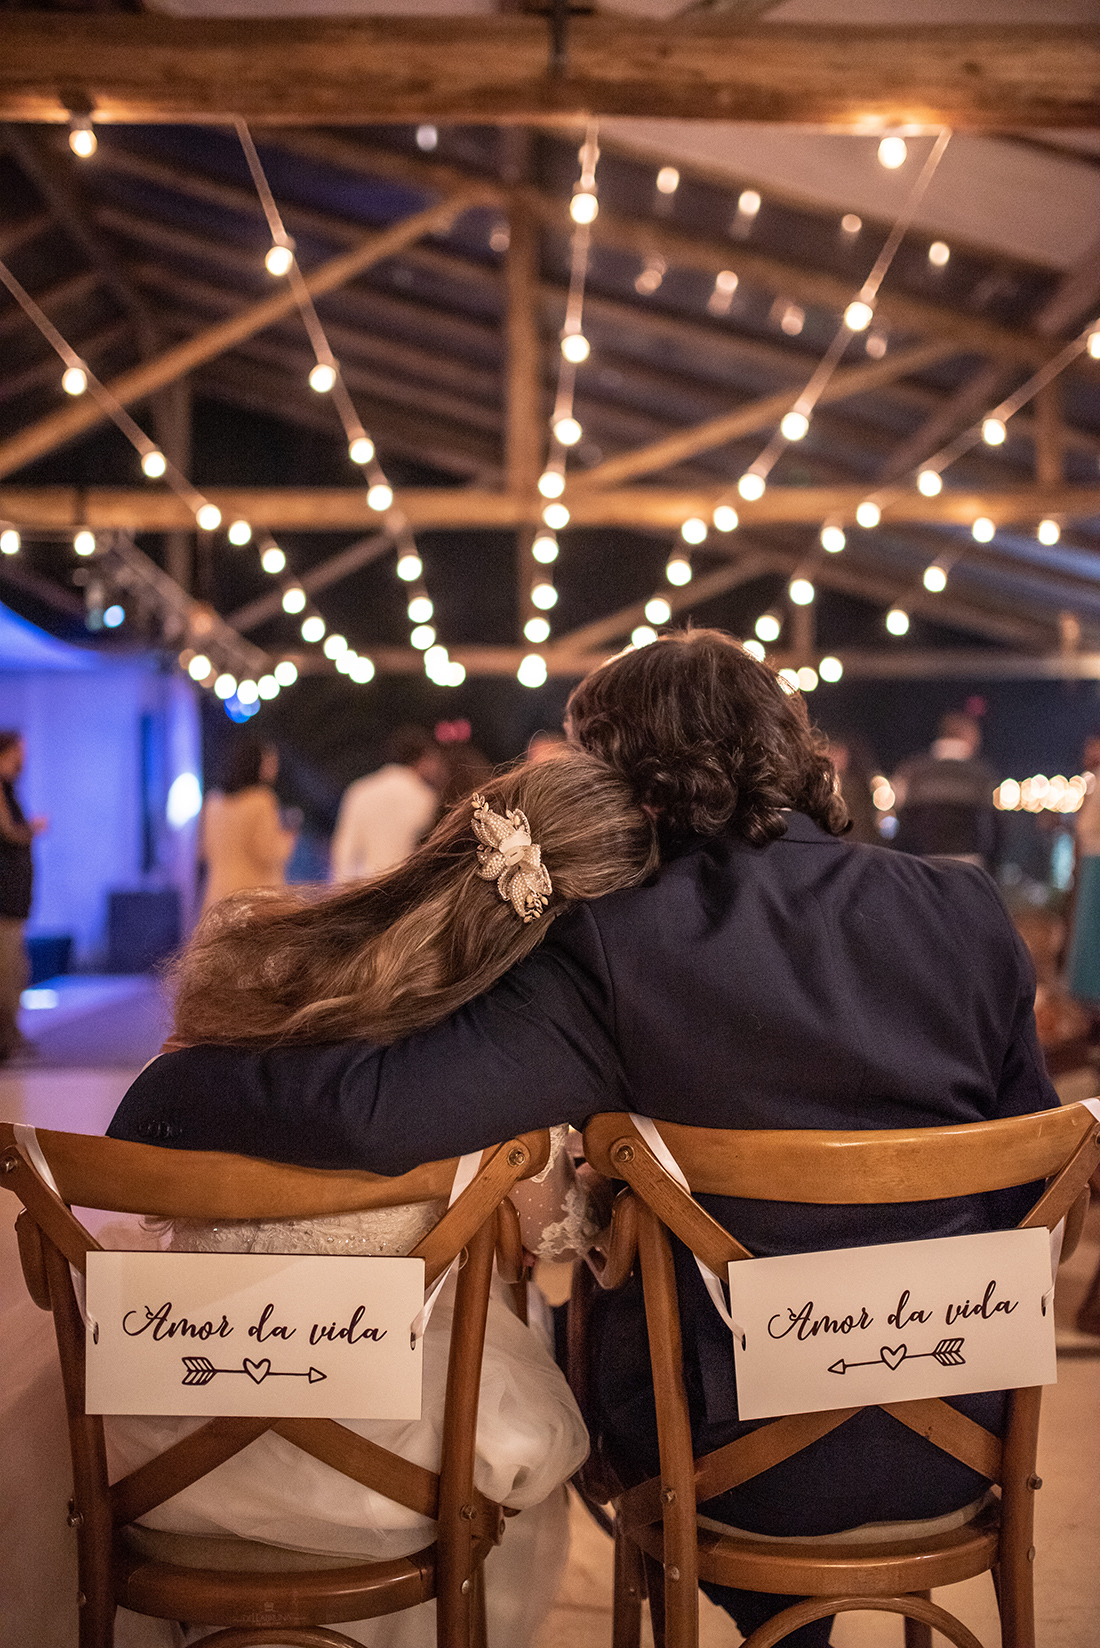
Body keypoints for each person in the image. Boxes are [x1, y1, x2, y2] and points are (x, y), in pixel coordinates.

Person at [112, 632, 1057, 1648]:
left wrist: (177, 1082)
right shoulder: (963, 910)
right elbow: (1036, 1174)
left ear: (633, 780)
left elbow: (375, 1111)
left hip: (715, 1449)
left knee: (583, 1327)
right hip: (959, 1423)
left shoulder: (619, 935)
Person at [107, 753, 658, 1648]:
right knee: (518, 1419)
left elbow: (141, 1140)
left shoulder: (269, 980)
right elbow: (557, 1237)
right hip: (382, 1476)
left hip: (162, 1443)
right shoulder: (499, 1086)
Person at [331, 727, 446, 883]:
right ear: (422, 760)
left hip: (365, 888)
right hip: (404, 889)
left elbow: (344, 851)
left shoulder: (360, 790)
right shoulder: (425, 798)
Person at [891, 710, 1000, 869]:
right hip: (969, 865)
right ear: (967, 735)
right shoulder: (982, 775)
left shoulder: (912, 772)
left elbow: (902, 825)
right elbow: (995, 828)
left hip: (922, 863)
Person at [200, 738, 295, 912]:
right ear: (257, 763)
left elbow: (205, 849)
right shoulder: (261, 800)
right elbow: (268, 852)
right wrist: (289, 836)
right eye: (270, 761)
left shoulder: (214, 800)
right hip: (252, 898)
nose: (274, 767)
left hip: (217, 897)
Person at [0, 731, 46, 1062]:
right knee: (8, 972)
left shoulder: (9, 790)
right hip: (4, 901)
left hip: (13, 900)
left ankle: (11, 1037)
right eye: (20, 751)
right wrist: (32, 829)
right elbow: (8, 832)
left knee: (16, 971)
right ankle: (7, 1042)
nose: (24, 758)